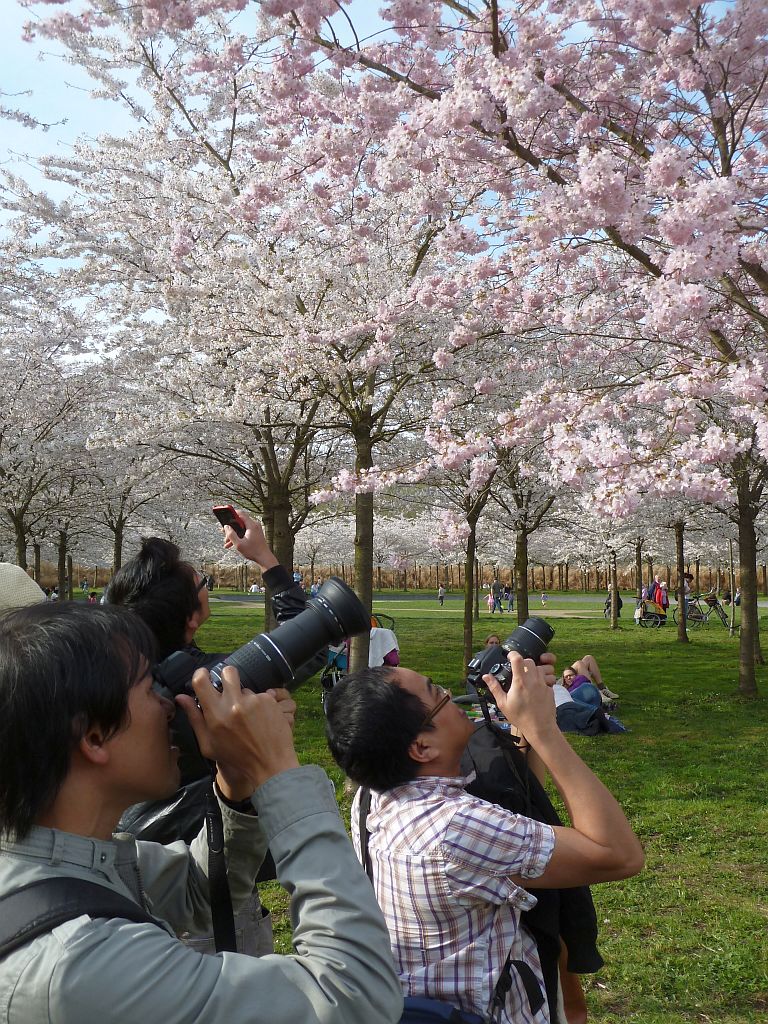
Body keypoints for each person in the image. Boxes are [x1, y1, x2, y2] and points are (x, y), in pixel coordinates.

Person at [0, 603, 402, 1024]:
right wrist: (277, 771)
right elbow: (357, 996)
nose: (173, 704)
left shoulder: (60, 857)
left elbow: (195, 892)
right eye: (151, 687)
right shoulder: (80, 966)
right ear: (95, 736)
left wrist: (238, 786)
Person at [325, 655, 644, 1024]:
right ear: (422, 748)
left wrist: (525, 726)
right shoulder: (457, 828)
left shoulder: (374, 797)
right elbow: (618, 854)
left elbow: (516, 820)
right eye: (436, 694)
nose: (449, 693)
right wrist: (544, 730)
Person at [106, 511, 325, 955]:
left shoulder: (107, 683)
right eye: (204, 582)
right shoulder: (211, 686)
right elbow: (307, 645)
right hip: (211, 882)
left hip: (128, 869)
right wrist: (265, 559)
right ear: (191, 617)